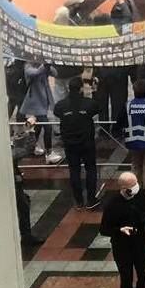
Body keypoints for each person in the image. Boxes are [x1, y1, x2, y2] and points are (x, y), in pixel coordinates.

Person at [98, 171, 145, 288]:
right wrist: (119, 230)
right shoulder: (112, 204)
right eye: (132, 186)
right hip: (121, 246)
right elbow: (104, 229)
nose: (136, 188)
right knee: (126, 277)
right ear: (124, 188)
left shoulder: (141, 194)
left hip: (139, 242)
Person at [54, 73, 103, 208]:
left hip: (69, 143)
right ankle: (91, 199)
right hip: (87, 142)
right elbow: (98, 107)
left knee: (74, 171)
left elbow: (56, 112)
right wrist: (95, 91)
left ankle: (79, 201)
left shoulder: (61, 105)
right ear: (81, 88)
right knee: (91, 169)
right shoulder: (89, 104)